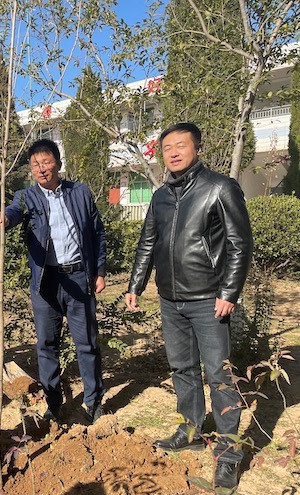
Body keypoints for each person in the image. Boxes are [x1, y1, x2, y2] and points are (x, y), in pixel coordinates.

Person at [125, 122, 253, 490]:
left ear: (197, 148)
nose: (174, 152)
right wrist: (135, 285)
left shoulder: (220, 188)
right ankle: (192, 427)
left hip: (208, 300)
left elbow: (239, 244)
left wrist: (229, 292)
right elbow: (147, 243)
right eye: (167, 148)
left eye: (181, 145)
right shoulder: (161, 196)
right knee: (181, 367)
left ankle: (229, 451)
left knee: (219, 374)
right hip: (170, 300)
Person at [0, 138, 107, 424]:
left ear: (58, 163)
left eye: (46, 162)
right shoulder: (26, 197)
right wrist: (3, 217)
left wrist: (99, 270)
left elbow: (96, 232)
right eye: (35, 165)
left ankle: (93, 401)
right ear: (31, 170)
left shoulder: (80, 193)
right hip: (46, 282)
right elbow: (14, 213)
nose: (41, 169)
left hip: (79, 278)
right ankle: (53, 403)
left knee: (88, 344)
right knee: (46, 344)